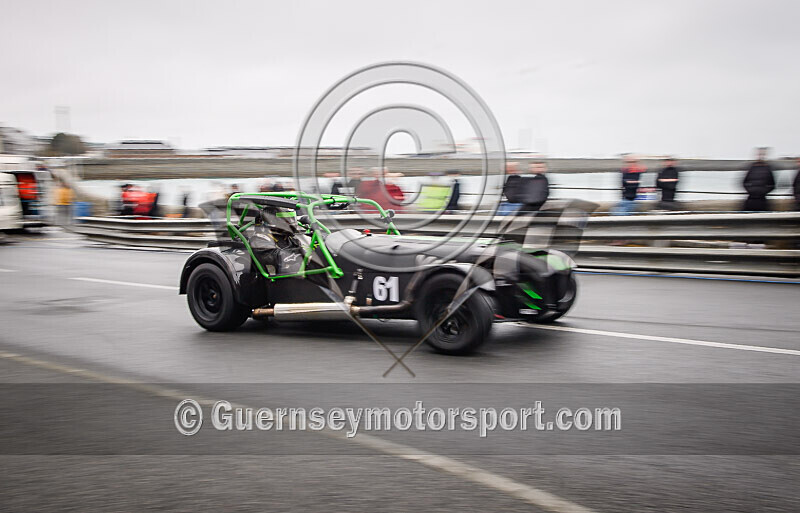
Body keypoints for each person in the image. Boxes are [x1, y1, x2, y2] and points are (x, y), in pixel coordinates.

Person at [742, 147, 775, 211]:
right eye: (759, 154)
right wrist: (750, 190)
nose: (760, 156)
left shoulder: (768, 168)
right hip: (751, 198)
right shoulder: (752, 167)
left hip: (762, 199)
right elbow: (744, 182)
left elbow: (772, 184)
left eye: (762, 154)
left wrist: (763, 191)